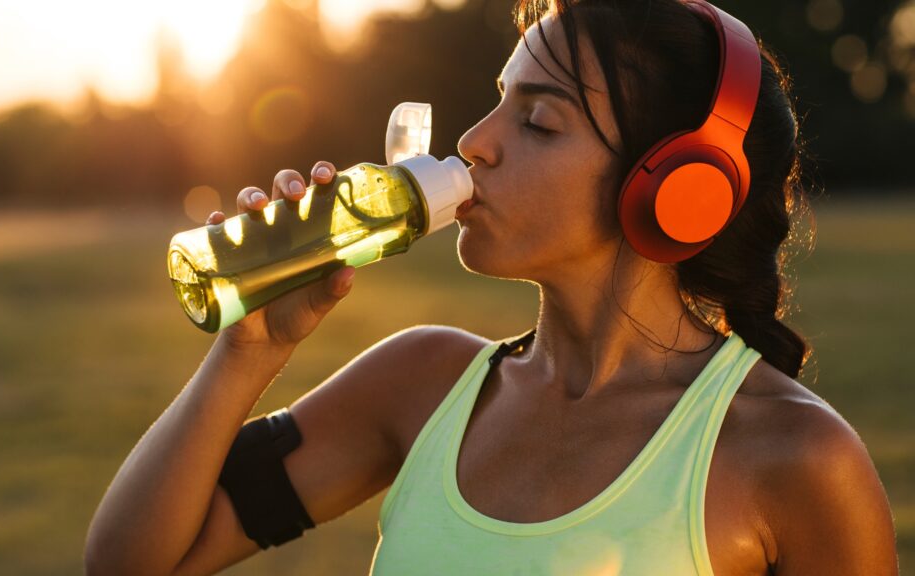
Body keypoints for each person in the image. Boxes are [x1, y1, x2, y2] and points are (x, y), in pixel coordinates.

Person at [85, 0, 900, 574]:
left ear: (675, 189)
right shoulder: (418, 384)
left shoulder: (794, 459)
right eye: (497, 102)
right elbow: (130, 563)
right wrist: (246, 351)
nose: (475, 143)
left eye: (538, 122)